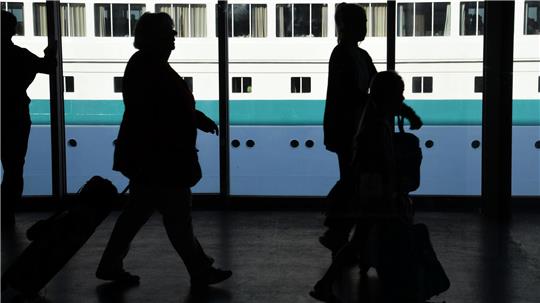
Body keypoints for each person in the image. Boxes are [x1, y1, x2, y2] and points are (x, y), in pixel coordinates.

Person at [95, 12, 231, 288]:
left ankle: (111, 264)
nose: (174, 38)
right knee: (177, 217)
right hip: (162, 159)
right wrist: (194, 118)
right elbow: (164, 112)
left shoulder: (145, 64)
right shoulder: (152, 68)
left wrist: (194, 117)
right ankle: (200, 269)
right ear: (156, 37)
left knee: (137, 215)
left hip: (151, 157)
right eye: (169, 32)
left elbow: (164, 108)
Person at [320, 3, 422, 256]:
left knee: (354, 180)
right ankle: (341, 231)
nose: (366, 27)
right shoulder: (345, 55)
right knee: (355, 181)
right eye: (362, 22)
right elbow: (369, 92)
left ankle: (339, 232)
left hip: (357, 129)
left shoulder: (355, 55)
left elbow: (378, 89)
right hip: (350, 131)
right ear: (348, 25)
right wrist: (404, 110)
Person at [311, 71, 413, 303]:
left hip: (368, 190)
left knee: (360, 240)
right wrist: (392, 189)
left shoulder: (372, 116)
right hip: (375, 193)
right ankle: (325, 284)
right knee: (372, 238)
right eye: (399, 94)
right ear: (388, 96)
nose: (403, 98)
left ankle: (325, 284)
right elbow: (381, 162)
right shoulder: (378, 125)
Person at [1, 10, 56, 229]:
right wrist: (50, 53)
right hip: (15, 115)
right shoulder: (20, 55)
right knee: (14, 168)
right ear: (12, 30)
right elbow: (48, 67)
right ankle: (7, 213)